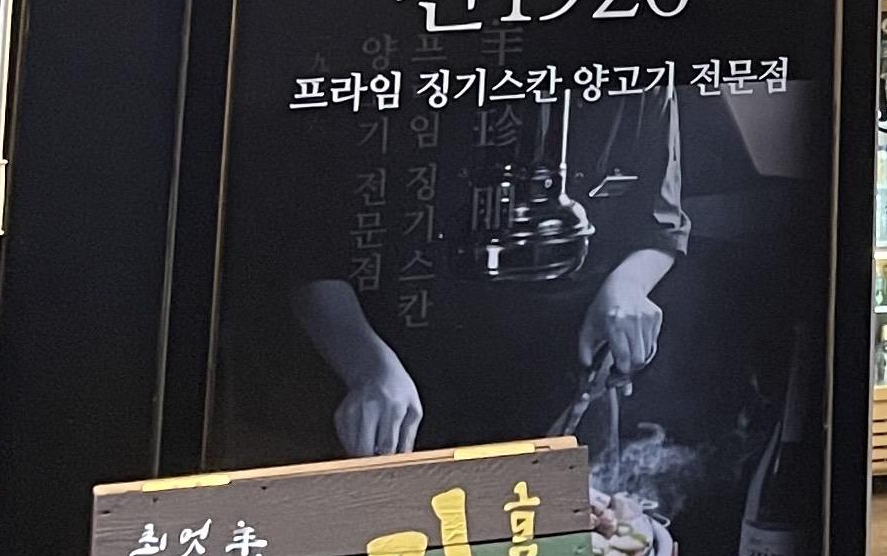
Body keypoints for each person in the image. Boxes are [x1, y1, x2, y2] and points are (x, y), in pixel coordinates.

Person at [272, 83, 689, 463]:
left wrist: (627, 287)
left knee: (584, 519)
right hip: (398, 383)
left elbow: (660, 226)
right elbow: (309, 252)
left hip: (568, 379)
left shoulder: (642, 72)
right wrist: (366, 365)